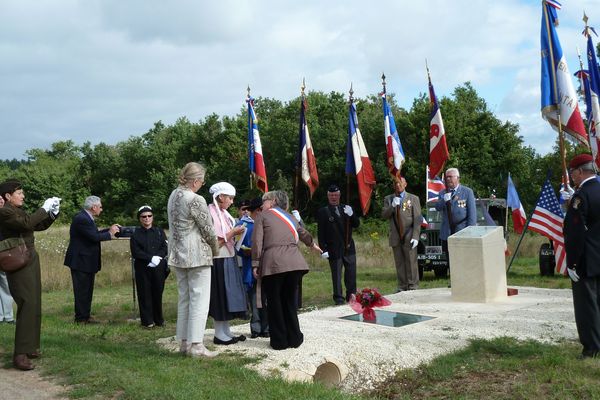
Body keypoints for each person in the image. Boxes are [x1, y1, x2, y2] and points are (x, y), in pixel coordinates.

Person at [0, 179, 59, 371]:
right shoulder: (5, 211)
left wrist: (51, 214)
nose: (23, 195)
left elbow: (35, 226)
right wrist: (43, 208)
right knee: (27, 302)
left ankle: (30, 347)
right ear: (8, 196)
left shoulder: (16, 209)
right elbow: (27, 223)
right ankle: (20, 354)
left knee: (34, 301)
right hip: (18, 258)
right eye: (20, 193)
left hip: (29, 256)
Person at [251, 190, 321, 350]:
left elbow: (257, 242)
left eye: (264, 201)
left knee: (274, 302)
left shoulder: (262, 216)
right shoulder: (290, 216)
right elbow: (303, 233)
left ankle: (279, 341)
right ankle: (295, 338)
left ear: (273, 201)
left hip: (273, 263)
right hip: (295, 263)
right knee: (289, 302)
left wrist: (255, 263)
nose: (262, 205)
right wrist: (312, 244)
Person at [167, 162, 219, 357]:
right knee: (199, 299)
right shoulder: (195, 199)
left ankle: (183, 342)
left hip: (177, 253)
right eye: (202, 181)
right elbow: (208, 229)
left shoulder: (173, 196)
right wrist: (215, 250)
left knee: (184, 298)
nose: (202, 184)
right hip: (196, 254)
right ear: (196, 181)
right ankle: (196, 345)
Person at [563, 153, 600, 359]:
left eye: (572, 173)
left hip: (586, 258)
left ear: (579, 172)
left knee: (587, 306)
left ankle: (591, 348)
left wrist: (573, 262)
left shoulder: (581, 196)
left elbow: (575, 232)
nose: (571, 178)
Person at [64, 196, 120, 324]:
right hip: (80, 262)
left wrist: (109, 230)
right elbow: (94, 237)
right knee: (82, 291)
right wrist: (110, 233)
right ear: (94, 207)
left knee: (87, 290)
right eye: (100, 206)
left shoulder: (86, 218)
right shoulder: (82, 219)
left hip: (86, 261)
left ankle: (85, 316)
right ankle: (81, 318)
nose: (101, 209)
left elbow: (92, 233)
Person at [208, 182, 247, 345]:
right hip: (218, 259)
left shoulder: (223, 213)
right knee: (220, 295)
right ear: (221, 197)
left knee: (228, 295)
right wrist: (233, 232)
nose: (232, 202)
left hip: (228, 257)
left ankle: (225, 330)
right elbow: (214, 242)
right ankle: (219, 332)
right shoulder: (210, 213)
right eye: (230, 198)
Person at [317, 184, 360, 305]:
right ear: (328, 196)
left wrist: (352, 215)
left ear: (339, 195)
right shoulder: (323, 211)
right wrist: (323, 249)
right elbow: (321, 232)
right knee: (336, 275)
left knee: (351, 274)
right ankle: (339, 298)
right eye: (331, 195)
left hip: (348, 246)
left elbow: (356, 224)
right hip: (333, 248)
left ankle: (351, 295)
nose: (333, 198)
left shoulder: (346, 209)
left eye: (335, 195)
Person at [130, 205, 168, 328]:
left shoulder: (159, 231)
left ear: (152, 217)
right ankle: (147, 321)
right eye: (143, 216)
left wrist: (158, 258)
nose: (147, 218)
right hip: (143, 267)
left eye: (149, 216)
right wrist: (150, 258)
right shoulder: (136, 234)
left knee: (157, 292)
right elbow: (136, 251)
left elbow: (164, 247)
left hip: (158, 267)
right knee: (144, 293)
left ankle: (159, 320)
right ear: (140, 219)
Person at [235, 197, 269, 339]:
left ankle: (267, 327)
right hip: (250, 265)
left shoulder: (268, 222)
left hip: (267, 264)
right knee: (254, 297)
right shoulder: (244, 224)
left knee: (267, 298)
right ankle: (255, 327)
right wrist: (244, 251)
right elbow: (237, 246)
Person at [382, 176, 422, 292]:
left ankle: (413, 285)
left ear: (405, 184)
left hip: (409, 233)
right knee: (399, 262)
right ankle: (402, 286)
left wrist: (416, 236)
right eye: (396, 183)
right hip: (395, 234)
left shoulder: (413, 198)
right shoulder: (388, 199)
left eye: (400, 183)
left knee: (411, 261)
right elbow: (384, 215)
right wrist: (392, 206)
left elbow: (418, 219)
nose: (398, 185)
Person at [434, 168, 477, 260]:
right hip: (447, 231)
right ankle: (452, 274)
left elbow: (472, 215)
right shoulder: (442, 192)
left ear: (457, 178)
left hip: (462, 230)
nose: (448, 179)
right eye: (446, 177)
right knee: (450, 258)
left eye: (450, 177)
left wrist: (470, 232)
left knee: (463, 257)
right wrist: (443, 200)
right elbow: (437, 207)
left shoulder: (467, 192)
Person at [0, 195, 15, 324]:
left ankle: (8, 316)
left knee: (6, 286)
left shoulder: (6, 216)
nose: (0, 201)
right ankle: (1, 316)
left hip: (4, 255)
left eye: (1, 199)